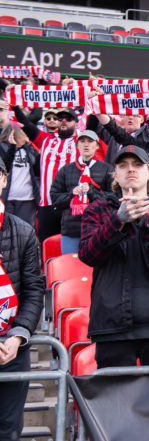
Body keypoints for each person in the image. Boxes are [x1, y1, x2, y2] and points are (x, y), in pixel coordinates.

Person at [79, 145, 149, 367]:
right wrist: (117, 220)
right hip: (111, 325)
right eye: (123, 165)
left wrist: (141, 217)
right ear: (116, 175)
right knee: (114, 399)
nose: (131, 169)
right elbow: (88, 254)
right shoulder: (97, 210)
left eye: (137, 164)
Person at [0, 160, 43, 440]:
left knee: (9, 429)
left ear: (4, 180)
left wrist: (19, 335)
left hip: (12, 349)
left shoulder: (24, 231)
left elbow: (34, 290)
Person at [12, 105, 80, 243]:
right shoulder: (45, 140)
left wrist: (92, 99)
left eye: (69, 118)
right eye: (60, 118)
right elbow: (26, 124)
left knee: (69, 249)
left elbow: (94, 126)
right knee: (46, 246)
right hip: (46, 205)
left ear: (76, 123)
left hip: (70, 205)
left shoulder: (81, 142)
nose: (63, 121)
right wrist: (14, 104)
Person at [50, 130, 114, 254]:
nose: (86, 145)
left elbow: (114, 198)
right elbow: (54, 197)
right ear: (77, 145)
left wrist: (92, 193)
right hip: (71, 229)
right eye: (82, 141)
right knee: (71, 267)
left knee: (95, 270)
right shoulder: (66, 170)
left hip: (98, 228)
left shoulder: (107, 169)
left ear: (97, 146)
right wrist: (70, 195)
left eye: (90, 141)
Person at [0, 126, 40, 227]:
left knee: (25, 228)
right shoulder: (3, 148)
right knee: (6, 228)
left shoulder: (30, 150)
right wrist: (13, 146)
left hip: (27, 199)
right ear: (16, 134)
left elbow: (37, 170)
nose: (27, 135)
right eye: (24, 132)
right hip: (8, 198)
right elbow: (5, 167)